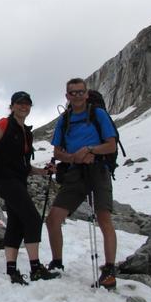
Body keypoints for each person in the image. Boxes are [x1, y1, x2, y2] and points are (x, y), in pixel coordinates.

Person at [0, 91, 59, 285]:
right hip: (4, 179)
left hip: (18, 180)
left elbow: (24, 166)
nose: (24, 107)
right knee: (32, 219)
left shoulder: (26, 133)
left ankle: (12, 269)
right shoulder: (4, 124)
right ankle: (35, 268)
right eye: (20, 103)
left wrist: (42, 172)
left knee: (16, 221)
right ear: (12, 106)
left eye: (27, 104)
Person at [45, 78, 118, 289]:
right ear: (67, 96)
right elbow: (57, 152)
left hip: (98, 169)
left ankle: (109, 271)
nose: (77, 95)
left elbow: (111, 146)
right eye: (72, 93)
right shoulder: (65, 120)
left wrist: (89, 150)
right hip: (76, 172)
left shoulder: (98, 114)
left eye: (80, 92)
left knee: (104, 218)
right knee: (53, 219)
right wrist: (74, 158)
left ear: (86, 94)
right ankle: (57, 262)